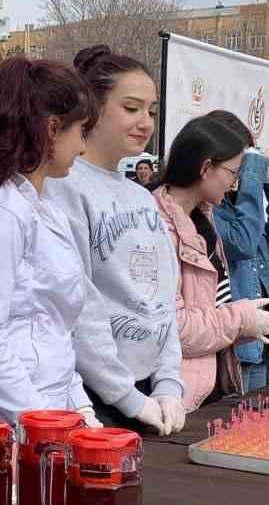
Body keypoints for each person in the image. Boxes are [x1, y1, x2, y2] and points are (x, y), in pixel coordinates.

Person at [44, 45, 186, 437]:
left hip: (148, 393)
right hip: (95, 397)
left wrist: (170, 382)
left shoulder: (143, 196)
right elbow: (80, 304)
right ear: (93, 108)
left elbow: (163, 300)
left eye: (151, 111)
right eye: (131, 108)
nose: (145, 122)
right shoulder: (65, 187)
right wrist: (126, 397)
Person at [0, 56, 101, 424]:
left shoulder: (45, 209)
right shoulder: (2, 211)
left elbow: (55, 327)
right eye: (82, 132)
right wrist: (40, 419)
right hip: (14, 414)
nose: (83, 148)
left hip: (53, 405)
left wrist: (80, 405)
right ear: (52, 128)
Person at [151, 116, 269, 409]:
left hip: (210, 378)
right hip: (170, 394)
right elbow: (172, 327)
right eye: (234, 172)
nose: (235, 183)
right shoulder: (155, 225)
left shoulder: (204, 217)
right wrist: (241, 319)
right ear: (206, 168)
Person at [206, 112, 269, 392]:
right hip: (234, 345)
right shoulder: (208, 209)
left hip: (264, 339)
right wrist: (251, 177)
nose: (242, 168)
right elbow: (242, 244)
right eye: (237, 161)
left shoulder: (242, 205)